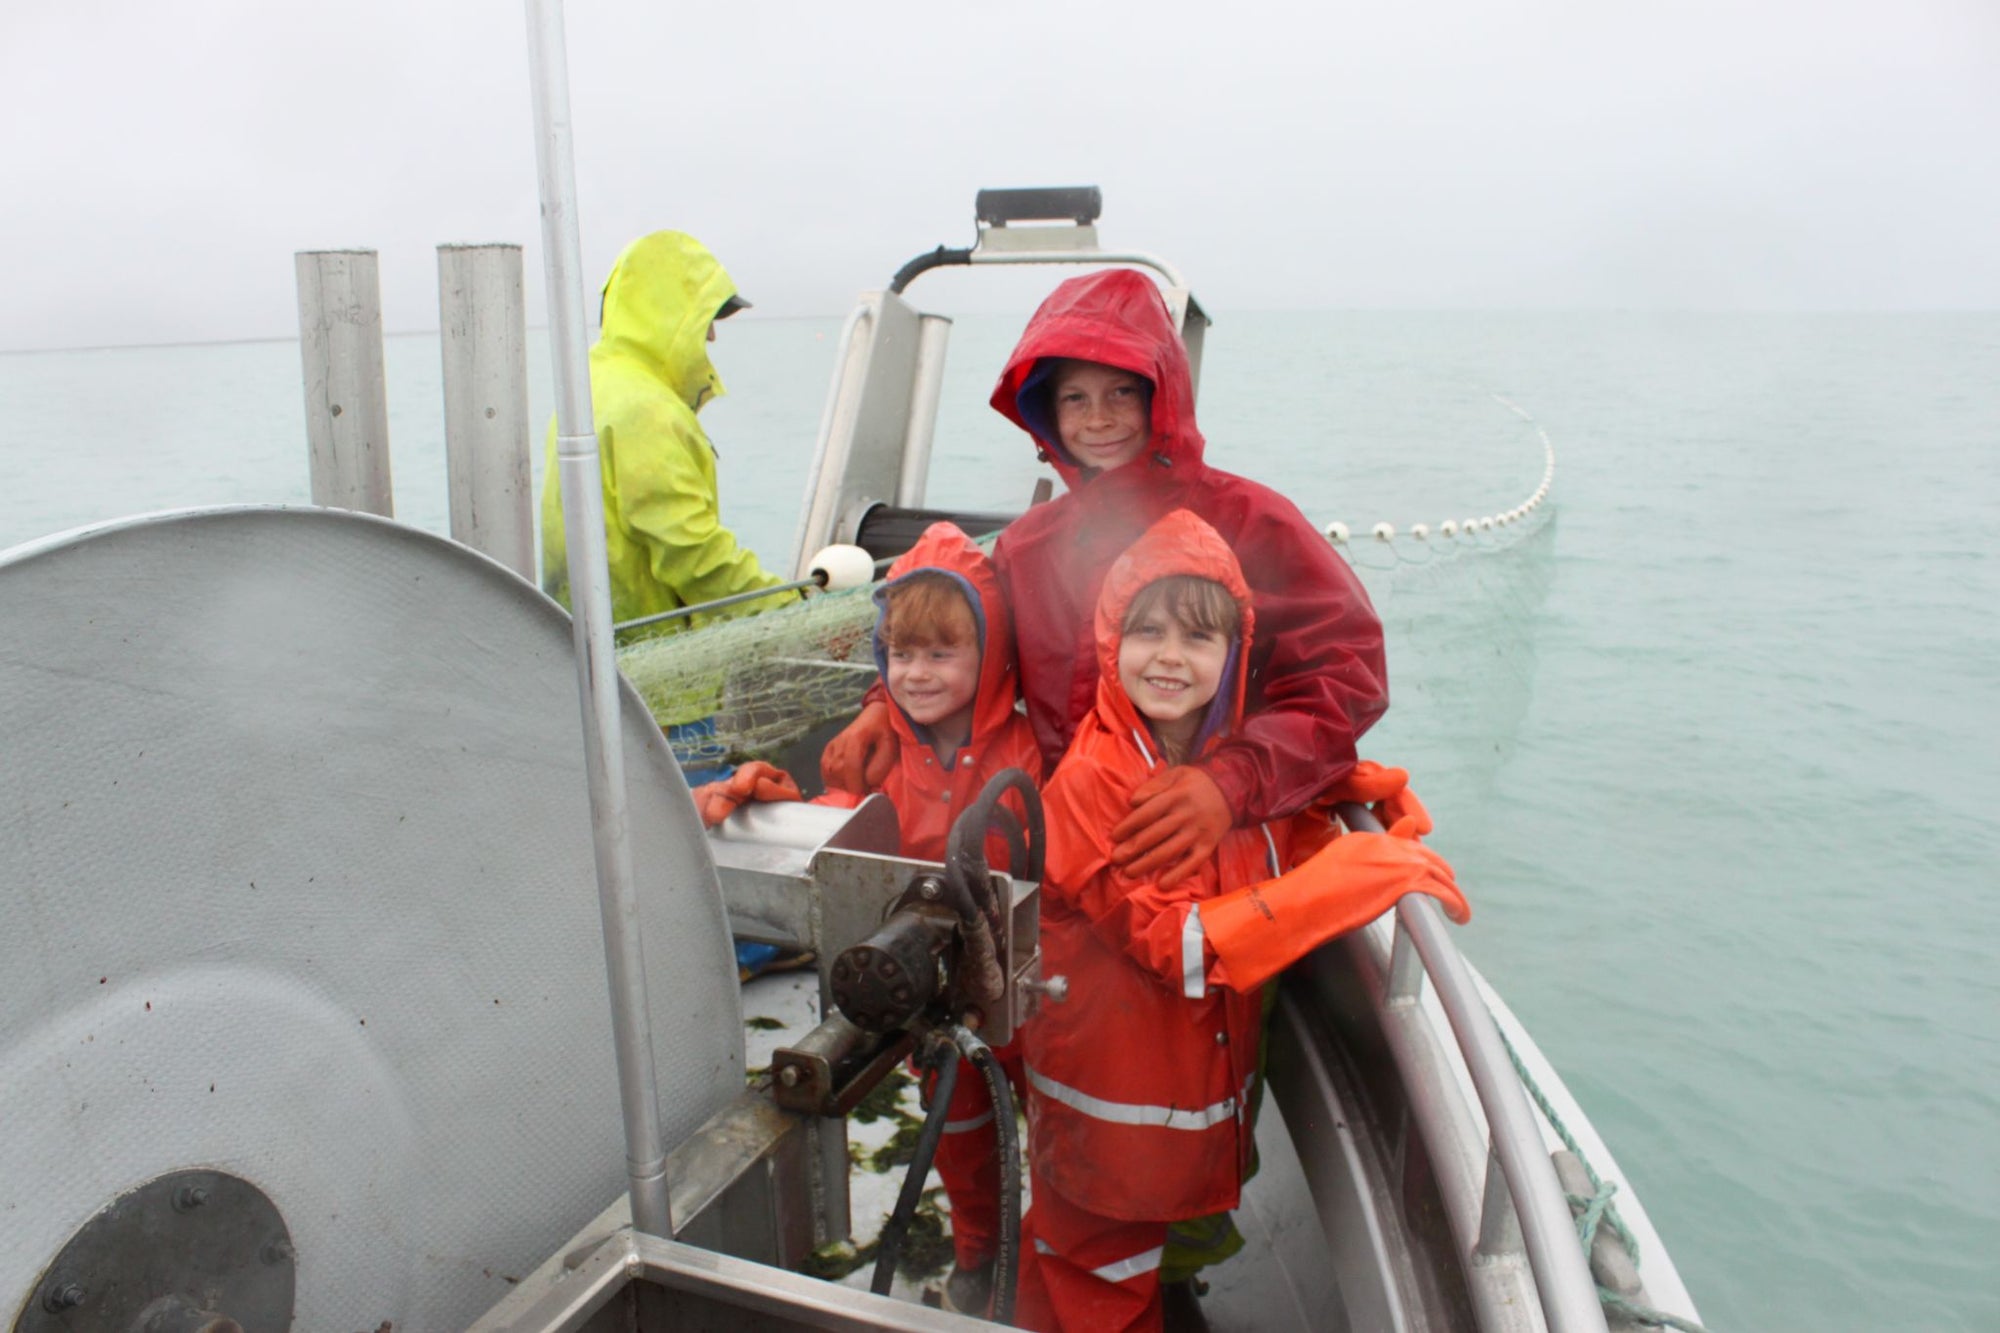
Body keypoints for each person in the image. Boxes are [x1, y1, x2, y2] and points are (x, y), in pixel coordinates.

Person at [1013, 509, 1468, 1333]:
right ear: (1111, 637)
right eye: (1146, 630)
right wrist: (1343, 880)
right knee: (1100, 1288)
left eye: (1197, 638)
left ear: (1234, 657)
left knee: (1075, 1272)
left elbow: (1247, 855)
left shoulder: (1221, 765)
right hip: (1104, 1129)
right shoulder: (1093, 779)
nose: (1169, 657)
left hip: (1157, 1130)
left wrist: (1331, 805)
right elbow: (1176, 944)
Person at [821, 267, 1389, 896]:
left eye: (1122, 392)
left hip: (1203, 852)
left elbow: (1346, 671)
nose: (1098, 419)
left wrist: (1230, 784)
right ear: (1044, 411)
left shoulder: (1251, 521)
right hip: (1069, 841)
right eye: (1074, 399)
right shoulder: (1029, 546)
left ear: (1162, 395)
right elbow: (960, 640)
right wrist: (881, 708)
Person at [693, 521, 1041, 1316]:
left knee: (1051, 1140)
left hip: (1030, 997)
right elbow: (840, 823)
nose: (917, 675)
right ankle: (982, 1252)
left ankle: (1041, 1258)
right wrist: (759, 796)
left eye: (941, 653)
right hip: (942, 1002)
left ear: (991, 655)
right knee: (956, 1129)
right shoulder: (881, 753)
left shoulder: (1034, 749)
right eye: (901, 654)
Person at [539, 230, 792, 636]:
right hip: (643, 670)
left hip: (580, 647)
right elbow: (693, 554)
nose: (712, 335)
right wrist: (792, 608)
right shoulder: (645, 410)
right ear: (672, 314)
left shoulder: (589, 385)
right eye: (707, 317)